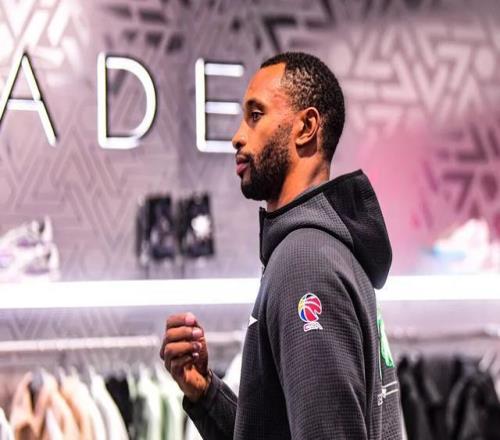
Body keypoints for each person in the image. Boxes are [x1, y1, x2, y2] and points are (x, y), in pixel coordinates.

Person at [160, 52, 403, 439]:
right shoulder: (323, 250)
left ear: (306, 127)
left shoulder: (305, 263)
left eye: (255, 115)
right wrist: (207, 394)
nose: (238, 136)